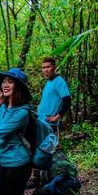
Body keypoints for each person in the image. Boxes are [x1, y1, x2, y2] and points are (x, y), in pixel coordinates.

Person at [29, 56, 71, 188]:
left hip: (50, 124)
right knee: (36, 148)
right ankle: (35, 178)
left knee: (48, 151)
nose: (45, 70)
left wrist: (57, 116)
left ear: (54, 67)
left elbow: (67, 100)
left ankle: (49, 180)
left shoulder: (59, 81)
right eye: (43, 68)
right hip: (40, 122)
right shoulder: (48, 83)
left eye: (48, 67)